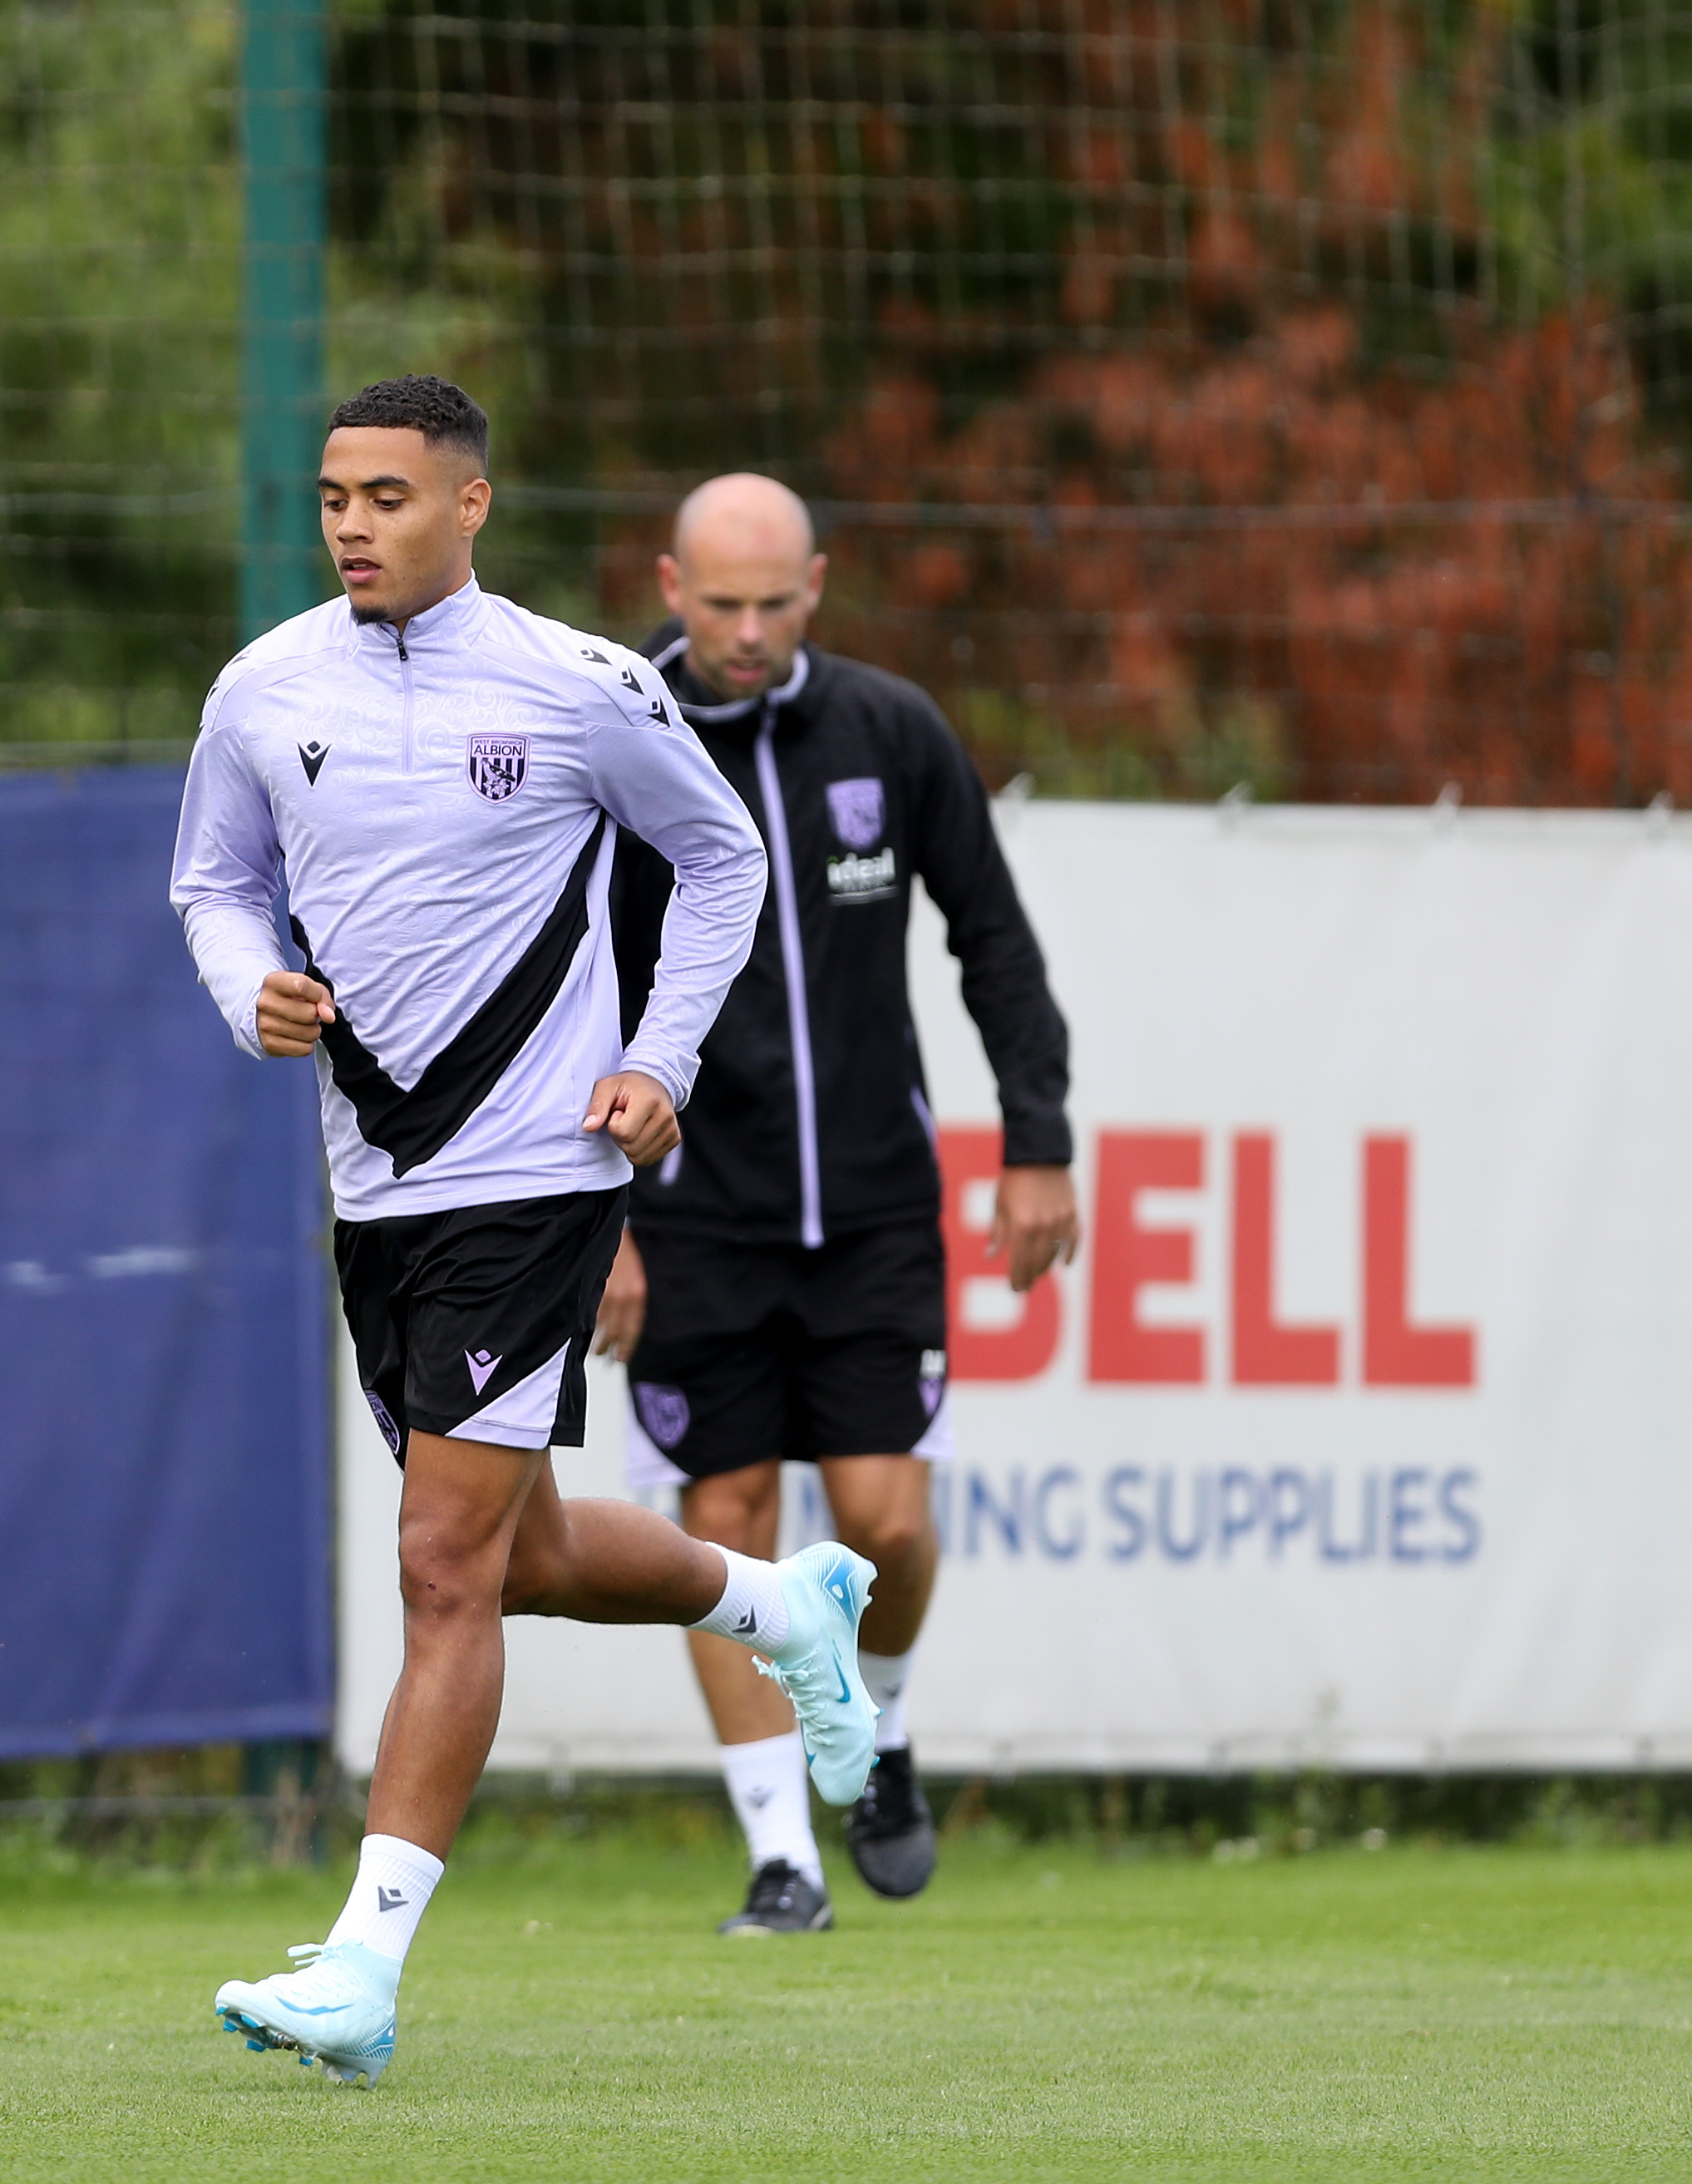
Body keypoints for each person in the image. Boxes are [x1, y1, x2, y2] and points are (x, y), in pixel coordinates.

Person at [171, 378, 879, 2089]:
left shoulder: (580, 688)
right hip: (380, 1185)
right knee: (530, 1558)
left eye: (391, 495)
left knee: (438, 1568)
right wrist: (238, 985)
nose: (354, 521)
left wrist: (656, 1060)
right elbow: (212, 881)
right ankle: (783, 1606)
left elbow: (721, 864)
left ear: (469, 507)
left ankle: (364, 1963)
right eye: (337, 493)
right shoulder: (267, 688)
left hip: (542, 1175)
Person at [596, 473, 1078, 1935]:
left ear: (817, 583)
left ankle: (879, 1732)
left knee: (888, 1526)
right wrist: (597, 1220)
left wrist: (1038, 1139)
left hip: (870, 1203)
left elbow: (990, 941)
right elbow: (562, 998)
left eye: (775, 602)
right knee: (722, 1522)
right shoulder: (606, 734)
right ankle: (779, 1860)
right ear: (672, 586)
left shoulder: (889, 729)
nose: (747, 633)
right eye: (720, 604)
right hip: (686, 1210)